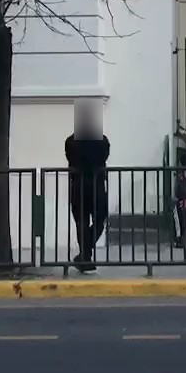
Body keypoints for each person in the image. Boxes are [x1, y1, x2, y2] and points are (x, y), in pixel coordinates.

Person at [65, 101, 110, 270]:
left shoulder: (71, 141)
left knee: (81, 222)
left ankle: (85, 254)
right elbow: (104, 156)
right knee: (100, 219)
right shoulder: (103, 141)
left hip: (79, 185)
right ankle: (86, 254)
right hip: (97, 185)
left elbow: (70, 157)